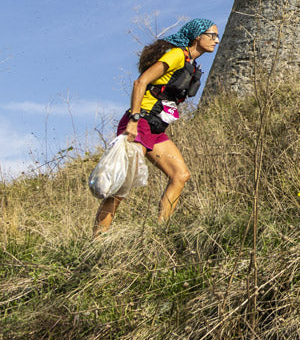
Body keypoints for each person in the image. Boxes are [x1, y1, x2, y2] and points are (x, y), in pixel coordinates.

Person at [93, 18, 219, 234]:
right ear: (198, 36)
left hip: (156, 128)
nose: (216, 40)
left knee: (181, 175)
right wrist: (133, 120)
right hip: (140, 122)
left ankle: (161, 231)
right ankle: (97, 239)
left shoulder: (192, 64)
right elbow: (140, 82)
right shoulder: (177, 55)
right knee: (123, 182)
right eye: (212, 35)